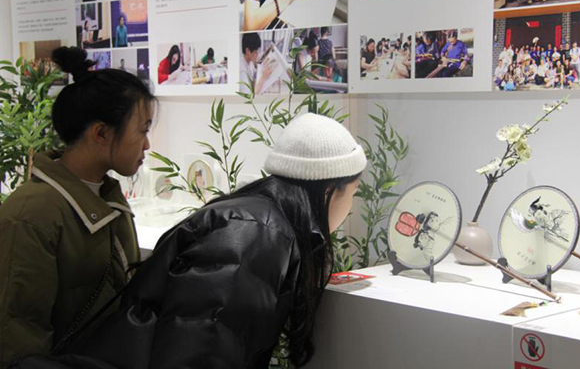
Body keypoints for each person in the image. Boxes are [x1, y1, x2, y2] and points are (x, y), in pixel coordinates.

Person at [66, 113, 367, 369]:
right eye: (353, 192)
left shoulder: (261, 222)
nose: (350, 206)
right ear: (329, 190)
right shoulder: (256, 234)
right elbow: (201, 350)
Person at [0, 46, 156, 368]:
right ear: (101, 133)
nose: (147, 144)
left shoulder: (108, 198)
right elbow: (18, 346)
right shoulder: (30, 215)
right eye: (142, 130)